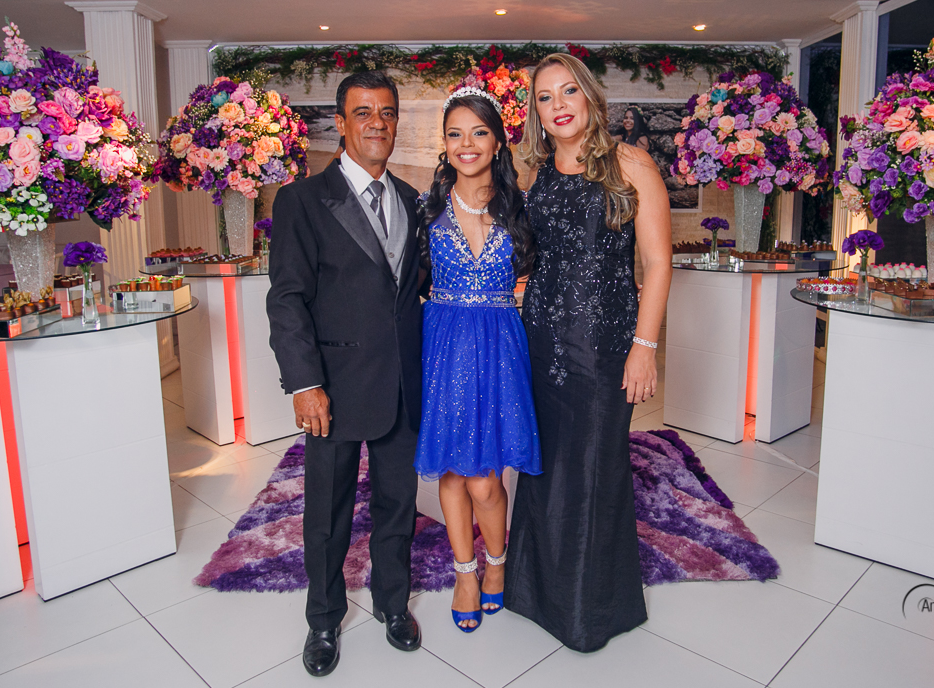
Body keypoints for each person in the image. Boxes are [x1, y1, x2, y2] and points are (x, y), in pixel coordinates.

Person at [504, 53, 673, 652]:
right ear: (535, 112)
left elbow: (656, 264)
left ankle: (590, 611)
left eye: (568, 91)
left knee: (596, 467)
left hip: (604, 344)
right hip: (540, 338)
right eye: (545, 98)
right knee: (543, 463)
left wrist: (644, 348)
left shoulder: (630, 163)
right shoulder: (537, 170)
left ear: (590, 97)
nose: (559, 106)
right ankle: (533, 591)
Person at [267, 70, 423, 678]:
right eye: (364, 113)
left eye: (386, 112)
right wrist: (305, 383)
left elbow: (415, 293)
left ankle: (392, 604)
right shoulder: (303, 200)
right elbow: (287, 298)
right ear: (341, 121)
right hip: (331, 387)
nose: (377, 123)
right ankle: (324, 619)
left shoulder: (412, 199)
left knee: (398, 503)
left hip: (403, 383)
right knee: (327, 512)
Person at [413, 88, 541, 633]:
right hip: (443, 345)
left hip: (498, 345)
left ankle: (496, 563)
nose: (467, 144)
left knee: (486, 479)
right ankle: (466, 573)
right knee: (450, 470)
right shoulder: (426, 209)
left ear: (497, 141)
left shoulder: (520, 207)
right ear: (444, 143)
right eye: (456, 133)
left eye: (479, 132)